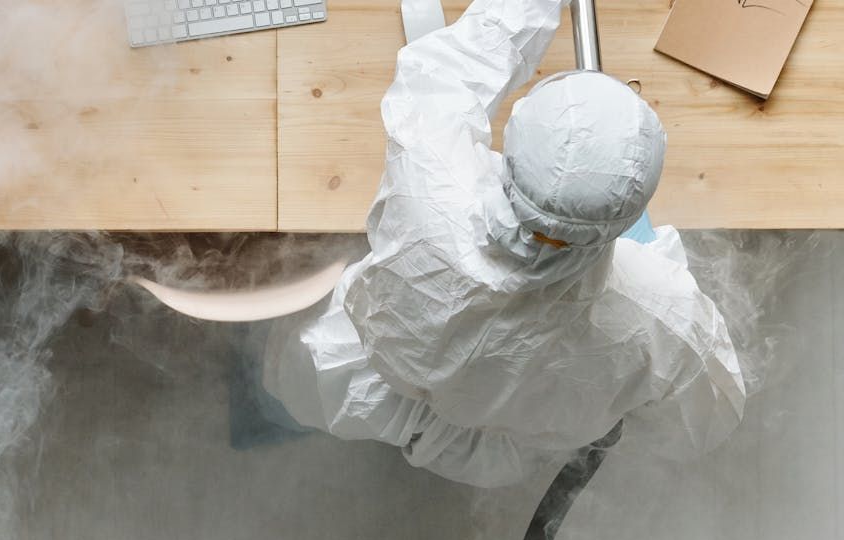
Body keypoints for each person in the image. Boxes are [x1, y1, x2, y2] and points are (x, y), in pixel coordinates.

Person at [262, 0, 745, 487]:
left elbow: (460, 62)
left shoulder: (431, 178)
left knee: (281, 392)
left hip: (360, 379)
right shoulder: (663, 315)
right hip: (490, 443)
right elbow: (704, 421)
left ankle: (271, 420)